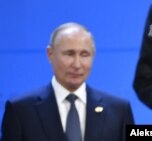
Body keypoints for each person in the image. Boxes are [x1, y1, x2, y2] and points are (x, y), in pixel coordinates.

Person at [1, 22, 134, 141]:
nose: (77, 64)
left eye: (84, 54)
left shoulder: (119, 110)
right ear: (50, 54)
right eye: (69, 54)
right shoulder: (21, 110)